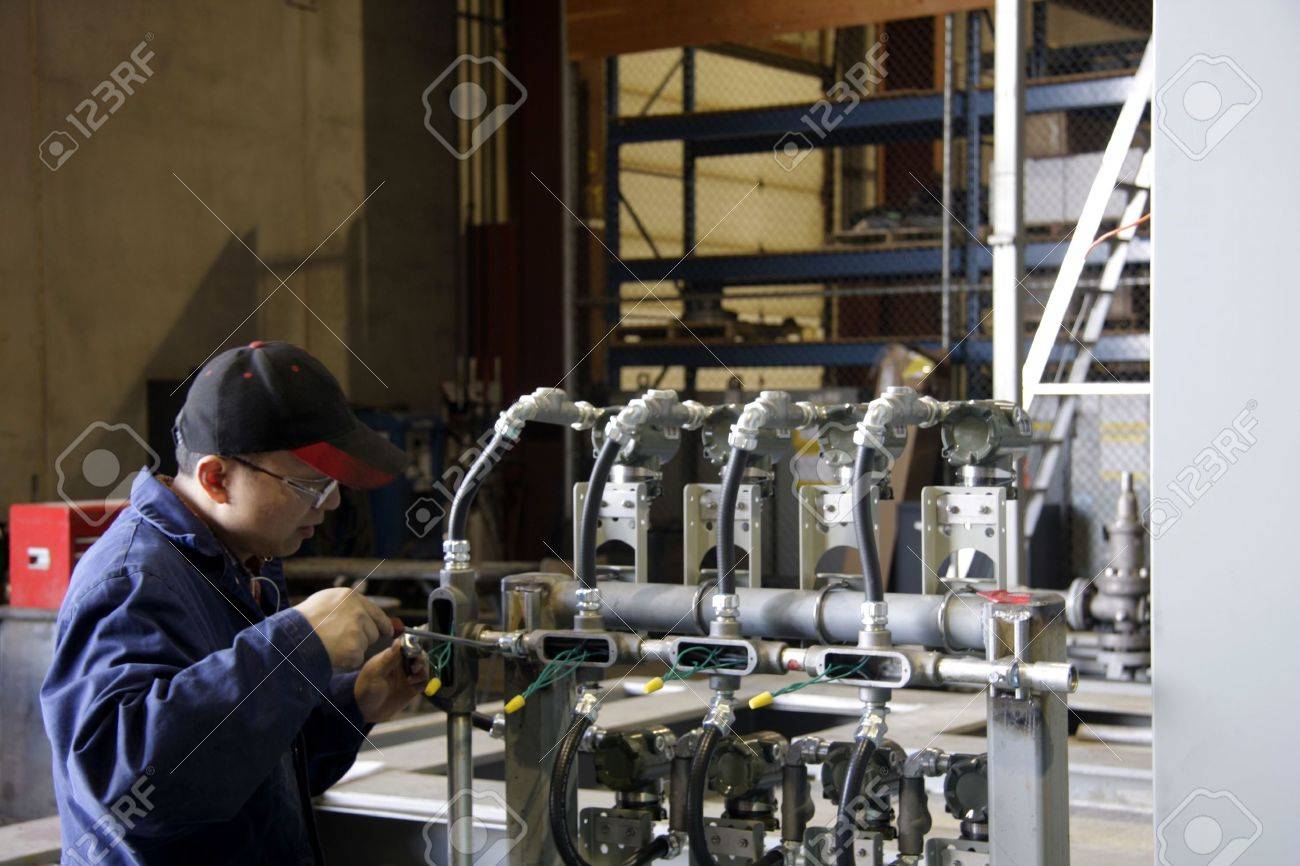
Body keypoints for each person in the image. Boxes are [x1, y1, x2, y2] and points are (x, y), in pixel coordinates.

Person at [41, 340, 428, 865]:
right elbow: (127, 793)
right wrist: (294, 648)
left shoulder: (242, 564)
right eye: (310, 485)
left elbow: (244, 772)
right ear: (217, 478)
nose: (332, 503)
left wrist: (354, 703)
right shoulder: (133, 582)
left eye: (333, 485)